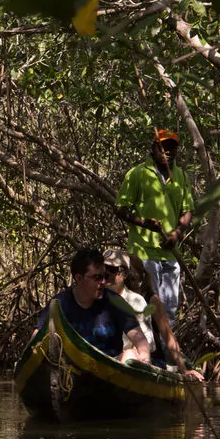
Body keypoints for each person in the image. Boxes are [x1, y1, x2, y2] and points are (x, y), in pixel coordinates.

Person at [114, 128, 195, 326]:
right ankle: (145, 353)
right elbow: (120, 209)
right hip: (143, 253)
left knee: (170, 312)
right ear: (153, 148)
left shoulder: (182, 177)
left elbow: (188, 211)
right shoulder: (137, 174)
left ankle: (168, 354)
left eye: (171, 148)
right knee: (144, 310)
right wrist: (143, 223)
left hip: (170, 254)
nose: (167, 151)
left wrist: (176, 233)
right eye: (163, 147)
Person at [33, 247, 150, 363]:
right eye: (97, 277)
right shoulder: (60, 304)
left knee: (130, 355)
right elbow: (36, 340)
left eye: (104, 276)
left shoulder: (115, 301)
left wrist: (144, 356)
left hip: (111, 370)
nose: (103, 282)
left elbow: (139, 337)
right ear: (78, 278)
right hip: (71, 370)